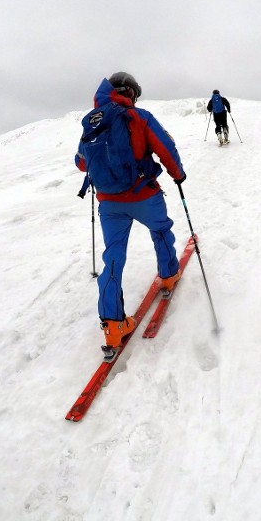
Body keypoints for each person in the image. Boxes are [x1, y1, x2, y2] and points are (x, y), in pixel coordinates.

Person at [75, 72, 187, 362]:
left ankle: (112, 325)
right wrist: (178, 175)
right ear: (132, 93)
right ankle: (168, 275)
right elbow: (166, 148)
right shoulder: (140, 117)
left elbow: (80, 162)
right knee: (161, 229)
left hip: (109, 203)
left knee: (113, 257)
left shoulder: (93, 120)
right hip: (142, 195)